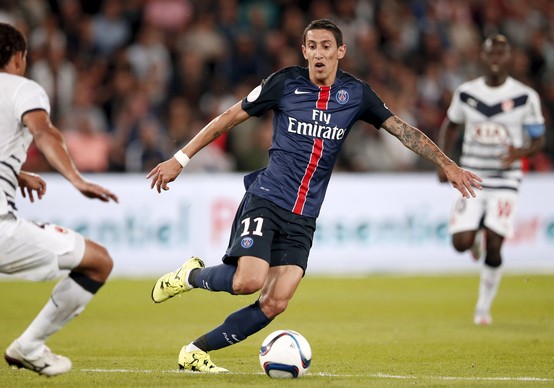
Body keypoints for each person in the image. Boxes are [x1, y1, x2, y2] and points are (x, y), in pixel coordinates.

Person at [147, 19, 482, 373]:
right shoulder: (284, 83)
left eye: (326, 46)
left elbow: (402, 130)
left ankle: (195, 352)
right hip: (267, 198)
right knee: (247, 281)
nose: (319, 53)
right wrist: (180, 158)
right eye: (312, 46)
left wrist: (447, 165)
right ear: (304, 51)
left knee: (275, 302)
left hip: (305, 215)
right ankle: (189, 276)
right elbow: (229, 118)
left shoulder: (356, 94)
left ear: (340, 52)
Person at [0, 22, 119, 376]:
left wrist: (15, 173)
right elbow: (45, 131)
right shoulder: (23, 88)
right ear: (19, 58)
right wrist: (76, 178)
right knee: (98, 262)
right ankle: (30, 346)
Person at [437, 34, 545, 326]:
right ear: (482, 58)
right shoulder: (466, 93)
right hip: (471, 174)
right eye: (490, 54)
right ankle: (474, 239)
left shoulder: (525, 96)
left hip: (506, 179)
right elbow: (451, 126)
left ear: (509, 58)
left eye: (501, 53)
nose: (496, 59)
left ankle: (483, 308)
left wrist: (521, 152)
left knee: (496, 244)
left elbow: (539, 138)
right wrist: (444, 161)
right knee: (461, 243)